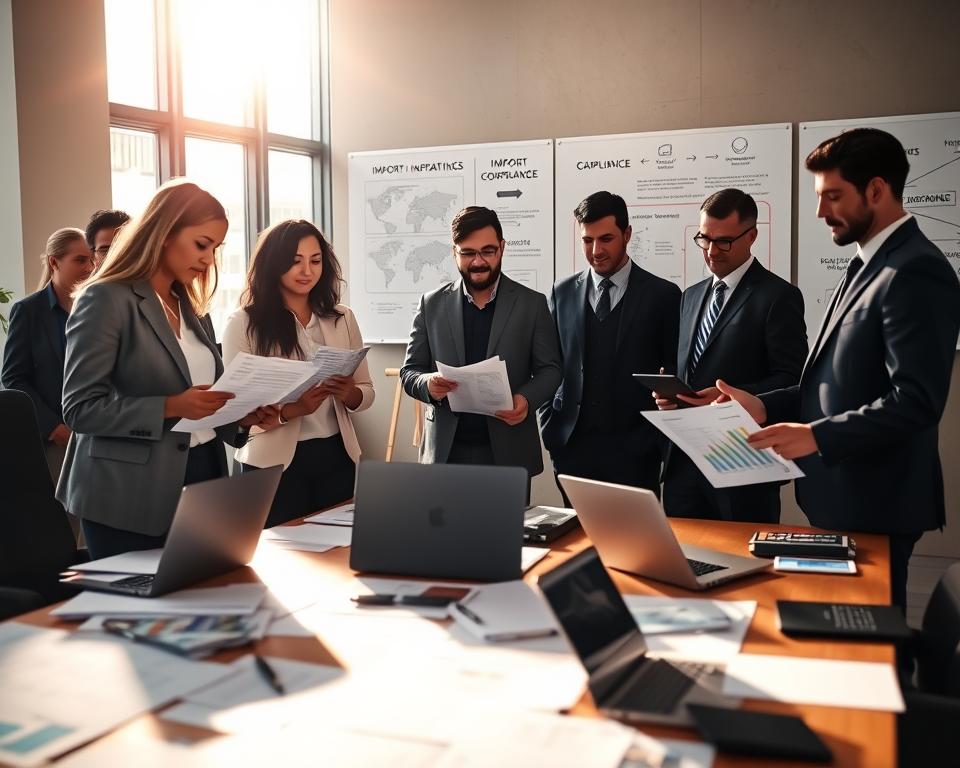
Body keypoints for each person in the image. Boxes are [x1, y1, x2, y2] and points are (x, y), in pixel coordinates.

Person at [717, 128, 960, 613]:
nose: (821, 212)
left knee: (862, 648)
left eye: (833, 196)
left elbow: (916, 401)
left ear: (876, 189)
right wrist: (762, 404)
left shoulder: (915, 270)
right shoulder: (865, 264)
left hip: (875, 502)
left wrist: (818, 436)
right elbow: (831, 383)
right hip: (839, 496)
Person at [57, 179, 272, 560]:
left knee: (203, 600)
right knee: (141, 615)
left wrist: (241, 417)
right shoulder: (105, 297)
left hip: (203, 474)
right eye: (201, 244)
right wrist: (171, 406)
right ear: (164, 233)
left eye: (215, 249)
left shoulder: (189, 305)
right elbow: (80, 409)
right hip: (127, 492)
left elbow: (201, 399)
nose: (208, 259)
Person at [656, 189, 807, 523]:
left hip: (742, 463)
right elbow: (689, 370)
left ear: (751, 236)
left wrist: (737, 396)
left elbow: (792, 379)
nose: (711, 251)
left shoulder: (779, 296)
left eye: (723, 241)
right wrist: (672, 396)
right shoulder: (690, 296)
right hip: (683, 462)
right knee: (683, 562)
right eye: (704, 238)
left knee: (748, 566)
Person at [400, 206, 562, 498]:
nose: (478, 261)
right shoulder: (431, 304)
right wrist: (428, 384)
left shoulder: (531, 304)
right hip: (446, 453)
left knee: (505, 542)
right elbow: (410, 371)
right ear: (454, 252)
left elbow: (551, 370)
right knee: (445, 543)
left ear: (502, 248)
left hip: (507, 450)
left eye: (488, 251)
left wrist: (525, 399)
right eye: (468, 252)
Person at [222, 219, 374, 527]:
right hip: (272, 461)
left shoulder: (343, 317)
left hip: (336, 455)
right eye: (295, 262)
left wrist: (350, 394)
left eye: (315, 261)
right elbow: (236, 410)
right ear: (273, 265)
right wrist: (294, 410)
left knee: (336, 553)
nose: (307, 271)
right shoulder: (243, 322)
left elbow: (367, 392)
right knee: (280, 557)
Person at [539, 191, 679, 503]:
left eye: (606, 238)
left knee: (636, 549)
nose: (596, 250)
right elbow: (549, 365)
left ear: (627, 234)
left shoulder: (664, 296)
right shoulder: (561, 292)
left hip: (637, 454)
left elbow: (673, 370)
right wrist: (551, 426)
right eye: (587, 240)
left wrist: (654, 442)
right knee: (578, 547)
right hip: (571, 449)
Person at [2, 228, 94, 480]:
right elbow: (13, 379)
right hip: (56, 442)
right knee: (65, 518)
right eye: (80, 260)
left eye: (92, 259)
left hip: (98, 437)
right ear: (54, 262)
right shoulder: (28, 311)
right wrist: (53, 428)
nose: (90, 267)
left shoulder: (96, 309)